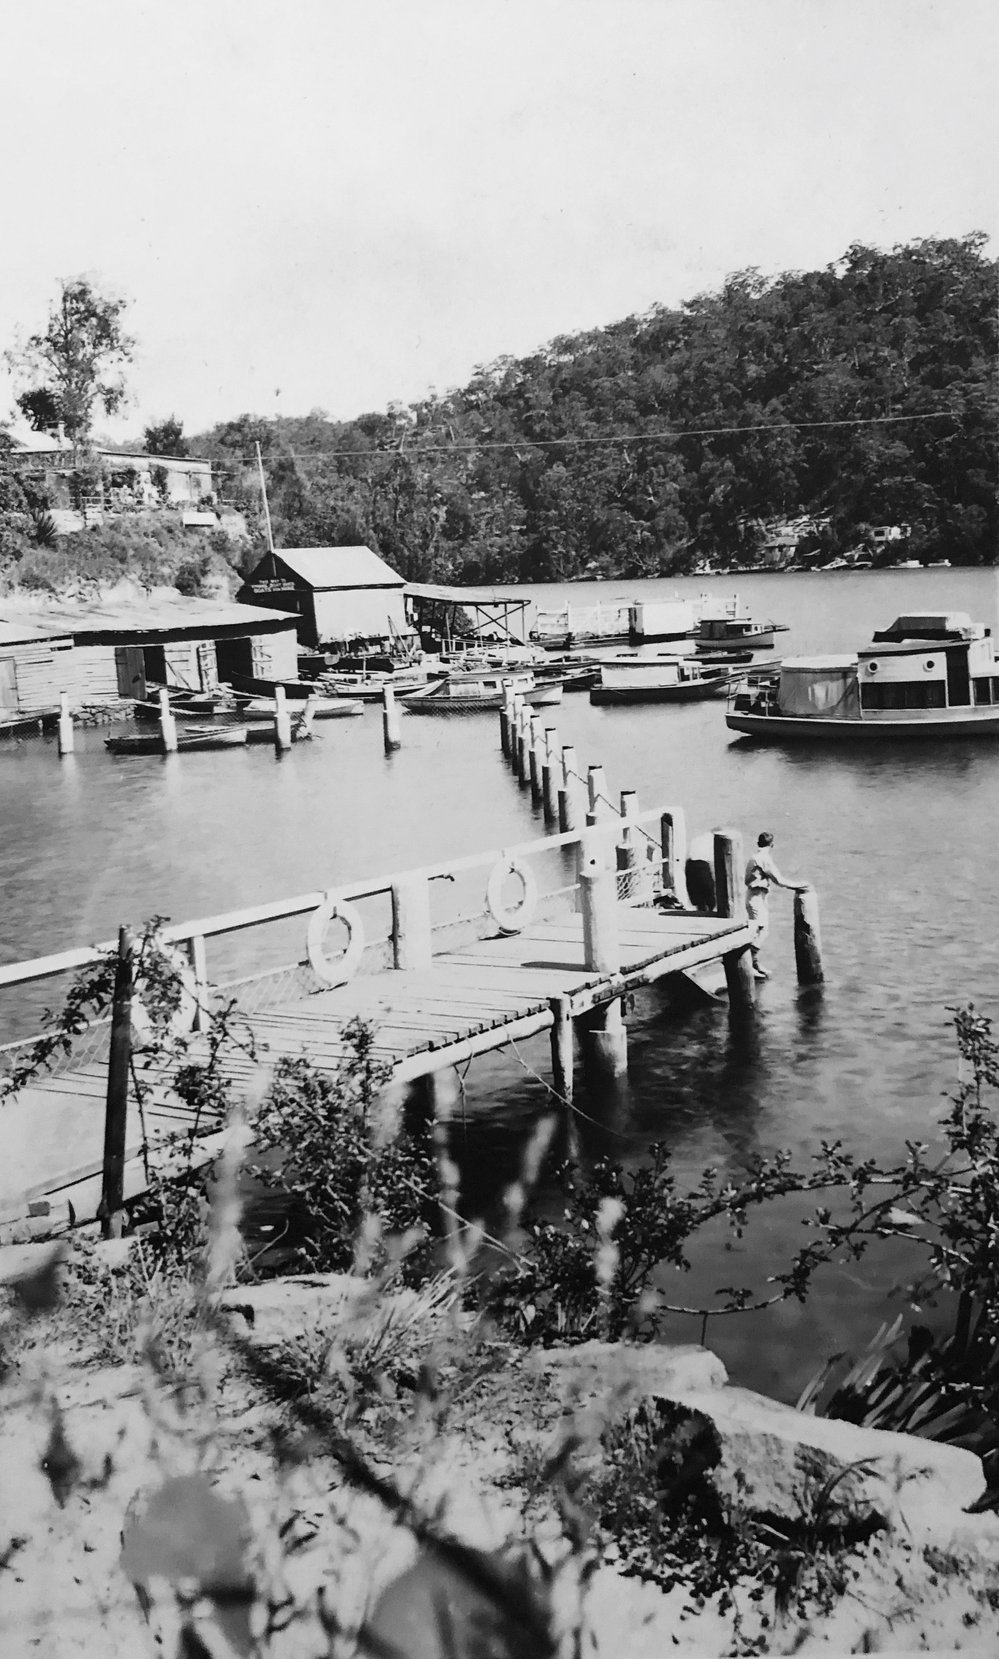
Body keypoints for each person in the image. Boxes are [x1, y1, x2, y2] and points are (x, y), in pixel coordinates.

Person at [745, 832, 809, 980]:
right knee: (762, 931)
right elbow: (779, 881)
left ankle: (754, 964)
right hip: (756, 898)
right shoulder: (764, 858)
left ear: (758, 843)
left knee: (758, 931)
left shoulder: (755, 856)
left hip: (755, 897)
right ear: (772, 845)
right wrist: (799, 885)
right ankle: (749, 963)